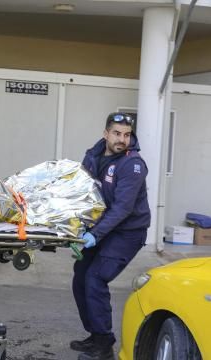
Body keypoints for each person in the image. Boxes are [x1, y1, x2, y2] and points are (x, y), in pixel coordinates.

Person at [71, 112, 151, 360]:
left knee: (96, 278)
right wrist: (78, 225)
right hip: (102, 228)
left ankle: (104, 346)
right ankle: (95, 335)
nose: (122, 139)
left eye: (127, 135)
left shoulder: (133, 164)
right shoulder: (92, 156)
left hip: (127, 232)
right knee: (80, 276)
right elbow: (83, 192)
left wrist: (95, 235)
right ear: (106, 133)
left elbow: (123, 208)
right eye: (117, 133)